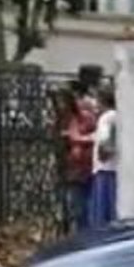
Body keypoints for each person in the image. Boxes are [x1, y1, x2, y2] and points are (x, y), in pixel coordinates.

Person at [58, 85, 96, 233]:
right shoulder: (68, 119)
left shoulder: (84, 118)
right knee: (75, 205)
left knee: (81, 206)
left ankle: (84, 232)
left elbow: (89, 137)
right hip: (73, 168)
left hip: (83, 169)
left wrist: (73, 137)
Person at [88, 89, 118, 227]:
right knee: (113, 208)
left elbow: (104, 139)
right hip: (113, 168)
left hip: (104, 169)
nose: (95, 104)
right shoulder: (117, 116)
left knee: (102, 211)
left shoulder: (106, 118)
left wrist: (102, 154)